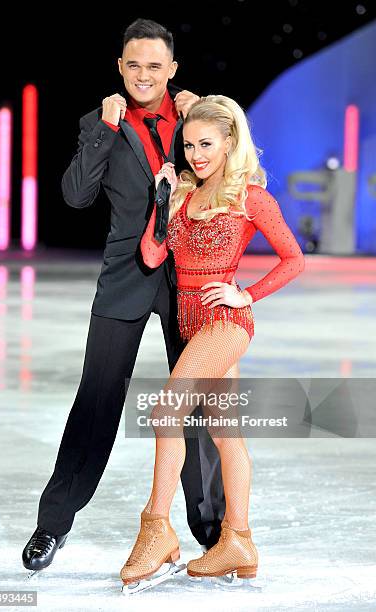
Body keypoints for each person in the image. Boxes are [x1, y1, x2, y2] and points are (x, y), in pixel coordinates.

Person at [22, 19, 227, 573]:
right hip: (125, 276)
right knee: (95, 402)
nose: (143, 75)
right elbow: (75, 194)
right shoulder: (101, 123)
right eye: (133, 65)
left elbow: (235, 180)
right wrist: (104, 132)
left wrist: (203, 114)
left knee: (198, 405)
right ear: (120, 66)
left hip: (190, 278)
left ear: (172, 70)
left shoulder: (198, 120)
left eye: (154, 66)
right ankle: (53, 524)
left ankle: (211, 530)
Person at [120, 94, 305, 591]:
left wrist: (246, 293)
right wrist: (160, 202)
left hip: (224, 322)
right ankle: (238, 540)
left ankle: (156, 528)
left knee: (166, 412)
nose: (196, 154)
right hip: (189, 323)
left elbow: (294, 259)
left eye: (206, 143)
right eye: (189, 144)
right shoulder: (181, 193)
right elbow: (154, 255)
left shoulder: (250, 196)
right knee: (225, 433)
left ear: (229, 142)